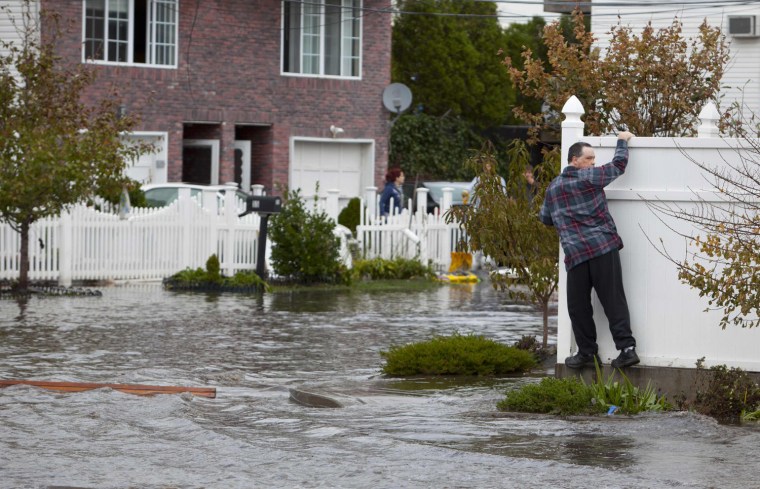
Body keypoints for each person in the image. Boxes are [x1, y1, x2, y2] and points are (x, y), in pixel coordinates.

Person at [539, 132, 639, 369]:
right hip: (603, 247)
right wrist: (622, 141)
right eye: (589, 157)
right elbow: (618, 165)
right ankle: (627, 349)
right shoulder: (589, 177)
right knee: (613, 300)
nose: (593, 162)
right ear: (575, 160)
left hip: (575, 254)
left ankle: (587, 352)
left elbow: (545, 219)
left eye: (594, 159)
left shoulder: (553, 188)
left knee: (577, 306)